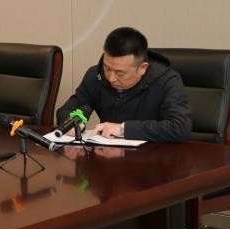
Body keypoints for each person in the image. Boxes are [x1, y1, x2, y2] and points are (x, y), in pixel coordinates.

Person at [57, 26, 192, 142]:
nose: (111, 78)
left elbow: (179, 127)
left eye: (120, 73)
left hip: (153, 158)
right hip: (107, 156)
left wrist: (123, 129)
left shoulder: (166, 80)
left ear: (142, 68)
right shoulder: (95, 75)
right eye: (107, 68)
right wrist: (71, 123)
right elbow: (66, 110)